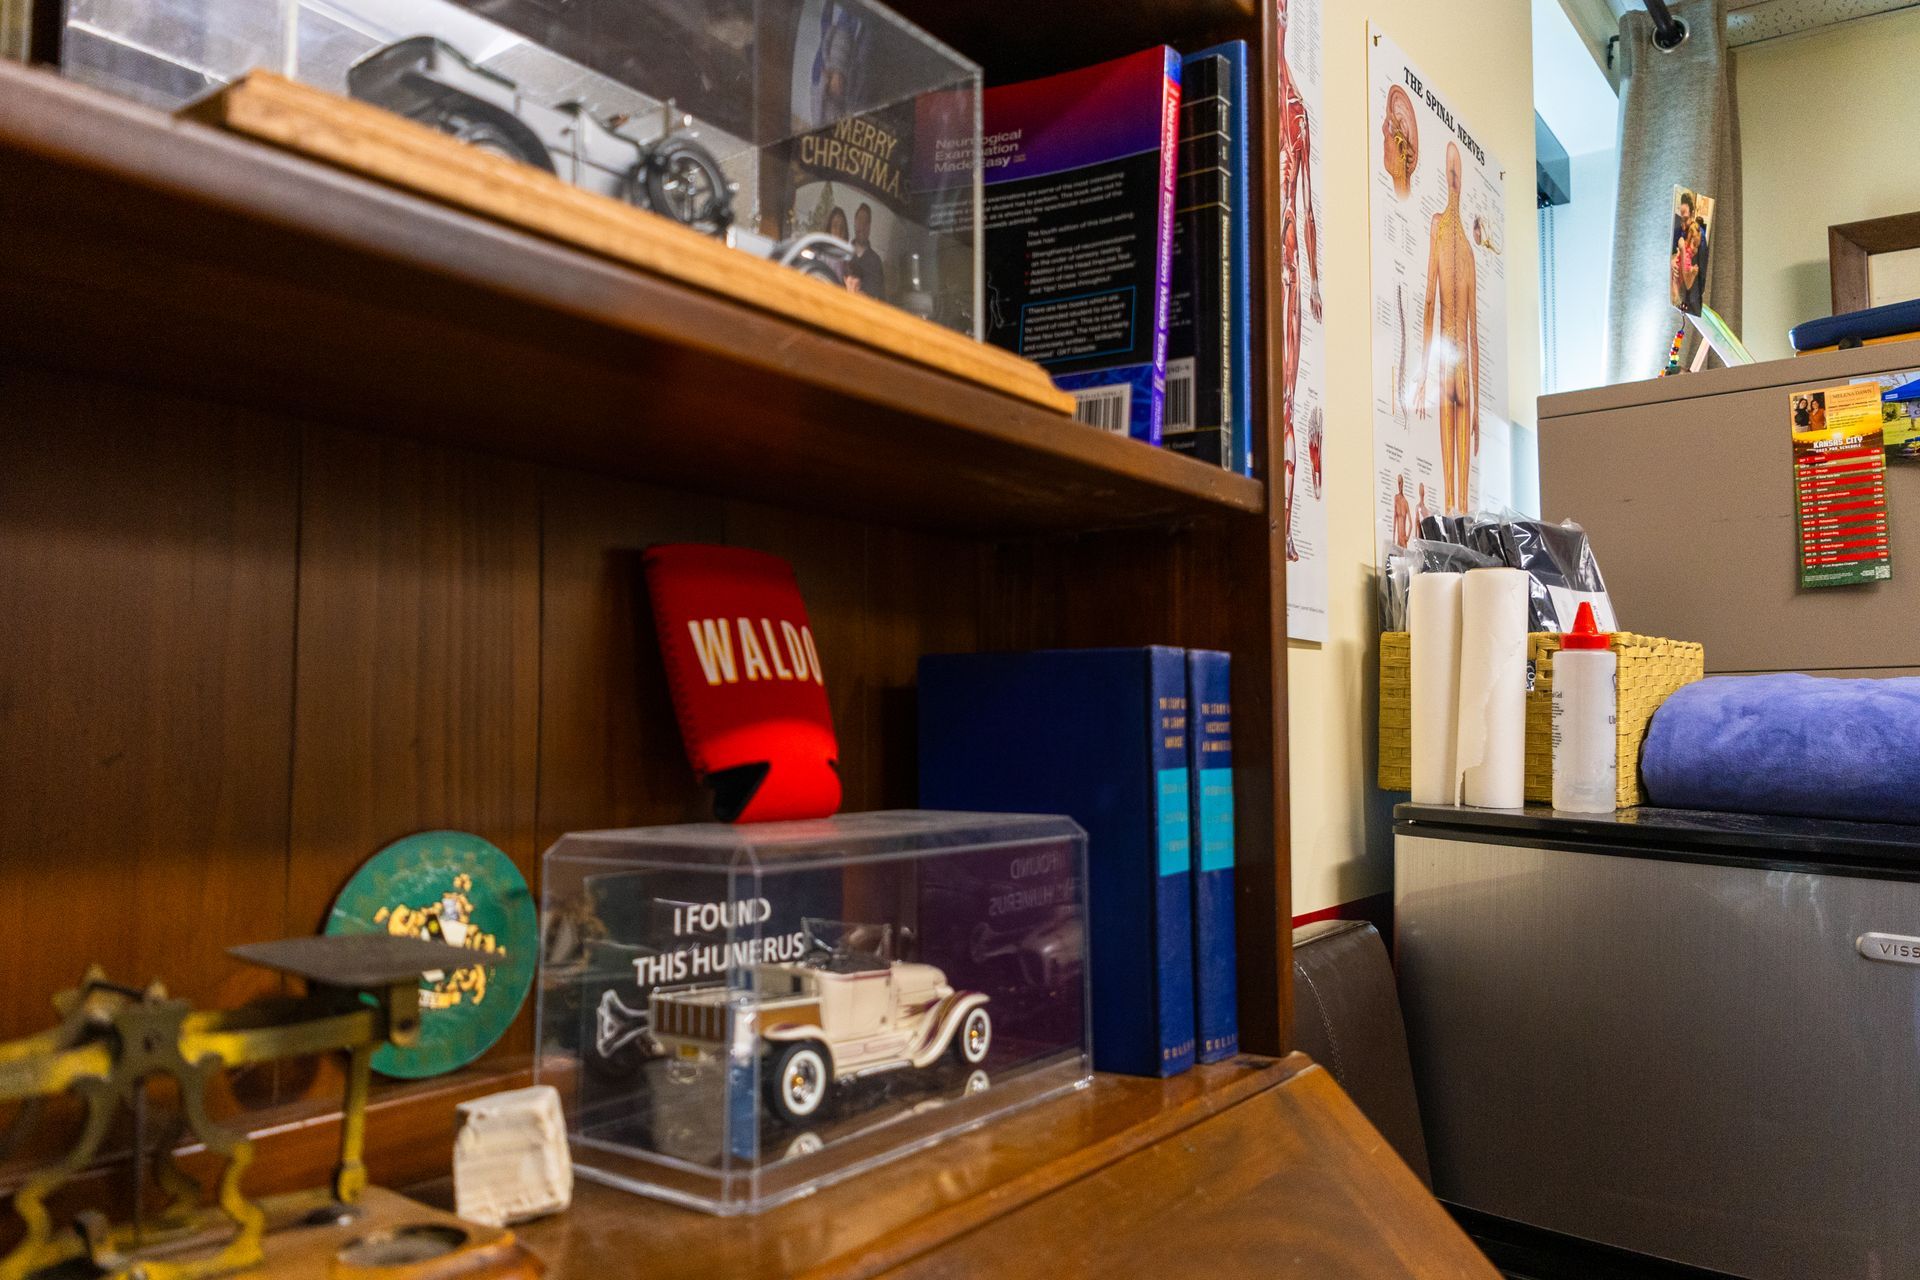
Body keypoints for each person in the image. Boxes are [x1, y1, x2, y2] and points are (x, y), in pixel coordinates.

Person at [1277, 0, 1323, 563]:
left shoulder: (1296, 110)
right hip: (1265, 265)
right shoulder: (1258, 94)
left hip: (1289, 270)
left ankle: (1285, 528)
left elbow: (1307, 206)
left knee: (1286, 403)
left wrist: (1313, 280)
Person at [1415, 142, 1479, 516]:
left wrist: (1423, 376)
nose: (1454, 179)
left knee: (1457, 498)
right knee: (1456, 500)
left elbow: (1430, 306)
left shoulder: (1448, 235)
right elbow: (1471, 335)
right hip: (1456, 375)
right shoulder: (1457, 243)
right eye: (1454, 172)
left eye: (1453, 172)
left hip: (1449, 374)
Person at [850, 203, 886, 300]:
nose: (862, 226)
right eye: (860, 220)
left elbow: (881, 298)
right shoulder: (843, 253)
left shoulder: (876, 261)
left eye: (865, 222)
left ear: (869, 227)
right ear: (855, 223)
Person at [1393, 475, 1414, 548]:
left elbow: (1411, 524)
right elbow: (1395, 518)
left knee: (1405, 558)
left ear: (1403, 483)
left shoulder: (1405, 502)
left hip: (1404, 538)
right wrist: (1393, 538)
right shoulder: (1396, 498)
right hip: (1398, 538)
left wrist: (1407, 537)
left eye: (1400, 483)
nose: (1399, 485)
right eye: (1398, 483)